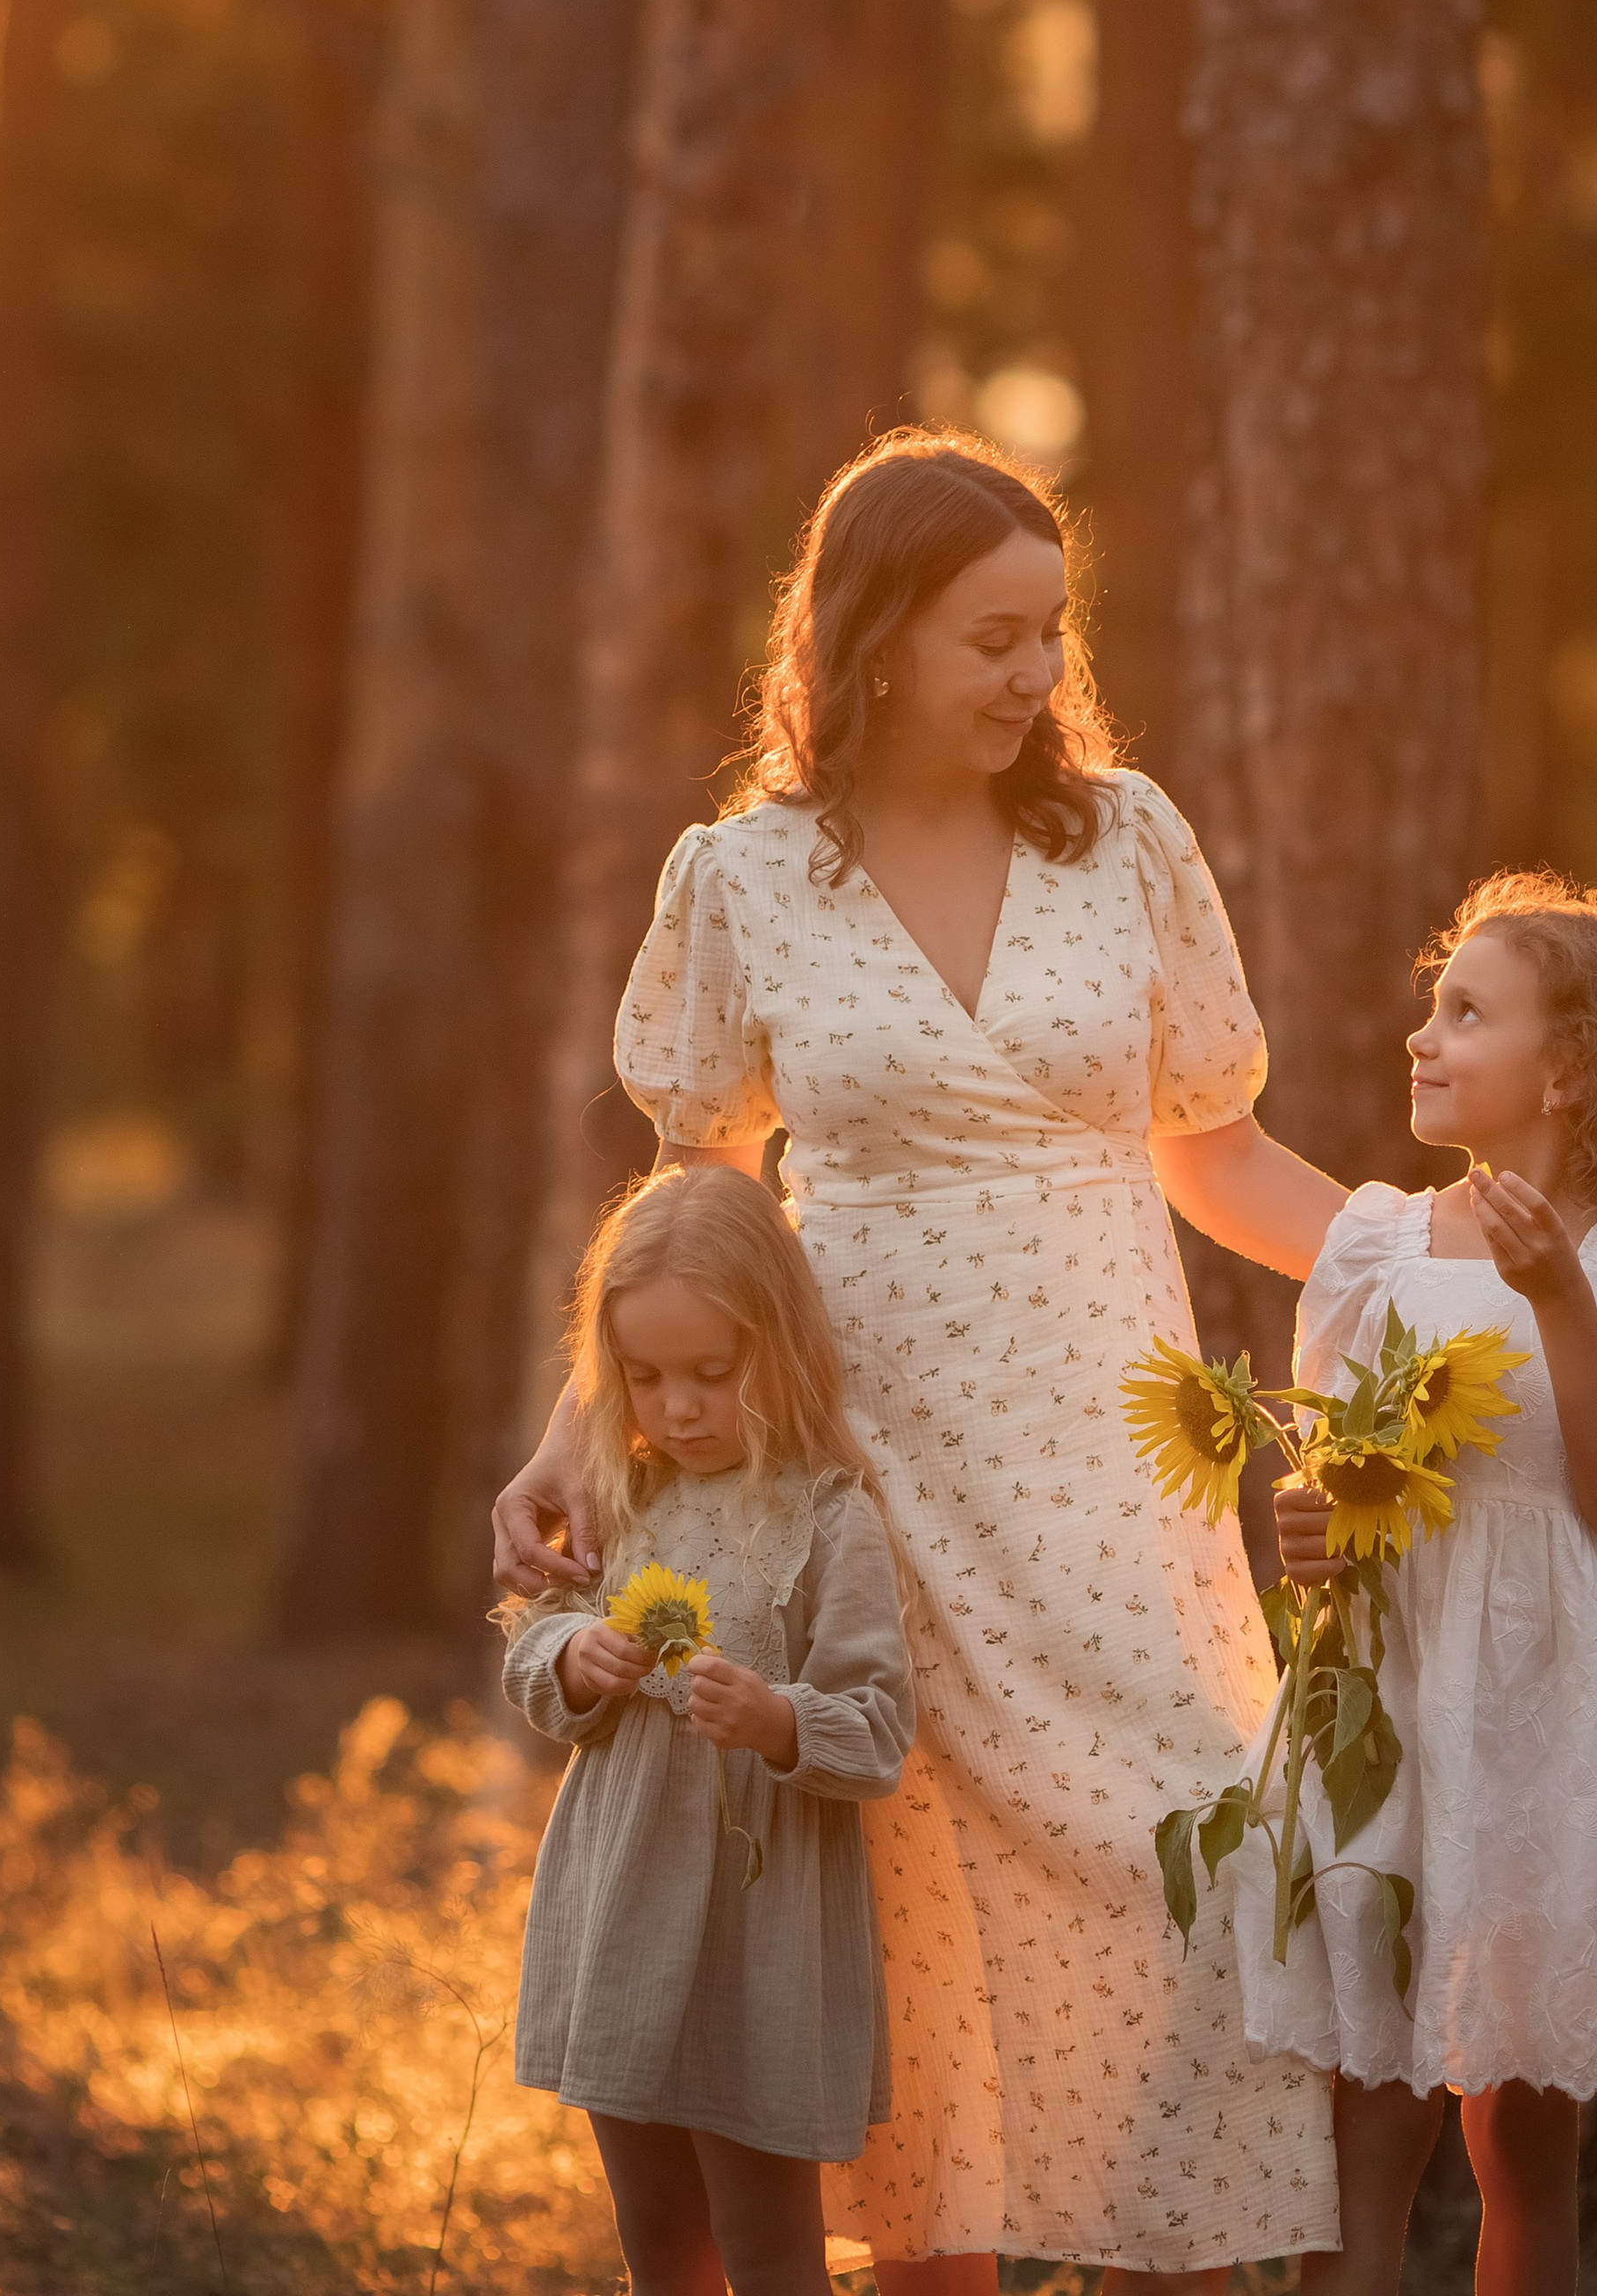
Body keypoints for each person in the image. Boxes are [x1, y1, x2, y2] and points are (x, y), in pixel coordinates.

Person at [496, 426, 1348, 2291]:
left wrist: (1420, 1267)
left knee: (1178, 1866)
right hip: (854, 1474)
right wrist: (582, 1432)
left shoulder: (1125, 841)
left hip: (1110, 1462)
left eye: (1052, 633)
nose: (1038, 674)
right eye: (992, 636)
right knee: (901, 1929)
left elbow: (1211, 1150)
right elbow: (697, 1187)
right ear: (870, 636)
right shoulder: (743, 876)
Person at [1252, 873, 1597, 2296]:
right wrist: (1309, 1529)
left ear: (1574, 1064)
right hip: (1396, 1698)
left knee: (1522, 2136)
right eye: (1432, 1006)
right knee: (1365, 2112)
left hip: (1547, 1711)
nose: (1423, 1036)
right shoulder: (1381, 1248)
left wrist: (1559, 1299)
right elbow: (1349, 1491)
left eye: (1465, 1013)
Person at [502, 1162, 914, 2296]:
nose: (675, 1408)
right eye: (643, 1377)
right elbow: (533, 1647)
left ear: (778, 1350)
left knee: (773, 2244)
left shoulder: (829, 1515)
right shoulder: (620, 1493)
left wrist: (781, 1719)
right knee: (656, 2232)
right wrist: (573, 1661)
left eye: (711, 1374)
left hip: (762, 1923)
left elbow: (880, 1728)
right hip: (624, 1907)